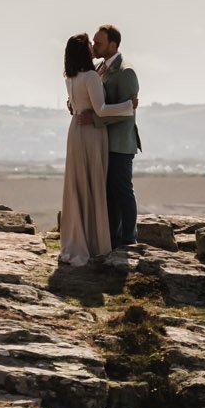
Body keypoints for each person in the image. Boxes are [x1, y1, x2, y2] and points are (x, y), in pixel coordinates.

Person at [58, 33, 134, 268]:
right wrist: (129, 105)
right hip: (92, 134)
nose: (93, 46)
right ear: (84, 51)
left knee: (79, 185)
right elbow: (100, 109)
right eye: (90, 44)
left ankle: (77, 238)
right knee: (94, 184)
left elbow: (74, 106)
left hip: (75, 132)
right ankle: (95, 241)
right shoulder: (91, 75)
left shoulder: (70, 77)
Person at [92, 24, 140, 248]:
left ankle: (129, 237)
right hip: (104, 141)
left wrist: (95, 119)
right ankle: (112, 236)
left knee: (122, 191)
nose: (94, 46)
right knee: (109, 193)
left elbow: (127, 112)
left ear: (113, 44)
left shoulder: (126, 72)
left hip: (120, 143)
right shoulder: (100, 68)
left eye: (98, 43)